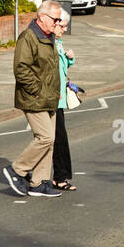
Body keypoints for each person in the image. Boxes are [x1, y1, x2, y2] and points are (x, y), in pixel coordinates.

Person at [2, 0, 64, 198]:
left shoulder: (49, 36)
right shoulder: (28, 37)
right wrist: (38, 91)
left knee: (50, 141)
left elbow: (49, 68)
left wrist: (56, 89)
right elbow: (21, 68)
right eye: (55, 19)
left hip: (49, 98)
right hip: (33, 98)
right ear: (43, 17)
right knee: (45, 137)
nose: (58, 23)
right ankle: (17, 170)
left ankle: (39, 183)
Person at [51, 12, 83, 191]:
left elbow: (62, 68)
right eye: (62, 26)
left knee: (57, 139)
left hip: (59, 98)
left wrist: (70, 58)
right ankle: (59, 177)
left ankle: (59, 176)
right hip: (53, 98)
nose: (64, 29)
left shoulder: (58, 44)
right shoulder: (49, 45)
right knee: (56, 139)